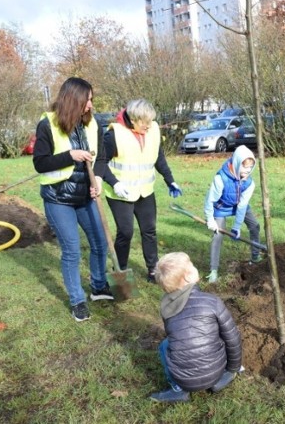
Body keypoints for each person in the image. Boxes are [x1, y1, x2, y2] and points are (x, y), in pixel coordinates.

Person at [32, 77, 114, 322]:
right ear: (73, 99)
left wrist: (97, 182)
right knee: (72, 251)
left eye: (91, 100)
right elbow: (40, 163)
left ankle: (99, 287)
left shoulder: (93, 125)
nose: (90, 105)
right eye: (87, 100)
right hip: (58, 199)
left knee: (100, 243)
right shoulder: (48, 124)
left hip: (85, 197)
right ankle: (78, 300)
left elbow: (101, 158)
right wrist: (70, 155)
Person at [97, 99, 182, 283]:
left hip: (145, 191)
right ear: (133, 119)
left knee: (149, 230)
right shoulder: (114, 135)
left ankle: (153, 270)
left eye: (151, 121)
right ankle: (120, 271)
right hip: (120, 194)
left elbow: (158, 157)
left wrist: (170, 180)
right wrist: (115, 183)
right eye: (145, 122)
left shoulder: (152, 131)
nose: (149, 125)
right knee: (126, 232)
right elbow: (100, 162)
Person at [149, 252, 243, 403]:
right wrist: (232, 369)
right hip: (217, 373)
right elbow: (233, 338)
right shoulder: (212, 302)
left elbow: (174, 337)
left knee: (165, 345)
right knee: (220, 333)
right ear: (187, 277)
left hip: (184, 380)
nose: (194, 266)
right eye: (191, 265)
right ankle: (219, 380)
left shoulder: (166, 307)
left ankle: (178, 389)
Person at [204, 145, 262, 283]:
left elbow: (242, 206)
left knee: (255, 226)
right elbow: (209, 201)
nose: (247, 171)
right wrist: (210, 220)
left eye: (250, 168)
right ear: (236, 163)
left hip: (237, 205)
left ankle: (255, 256)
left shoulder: (249, 183)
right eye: (244, 167)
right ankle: (213, 270)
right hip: (221, 207)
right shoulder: (221, 179)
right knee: (218, 234)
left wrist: (236, 226)